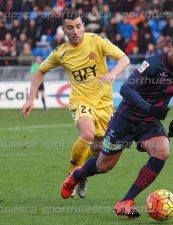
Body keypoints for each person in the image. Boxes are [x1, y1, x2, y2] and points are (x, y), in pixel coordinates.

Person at [60, 29, 173, 219]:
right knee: (104, 165)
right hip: (126, 119)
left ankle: (126, 201)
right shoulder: (153, 64)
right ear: (170, 47)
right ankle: (75, 176)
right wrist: (149, 108)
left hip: (149, 123)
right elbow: (126, 88)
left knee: (162, 151)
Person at [22, 8, 130, 198]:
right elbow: (39, 72)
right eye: (70, 27)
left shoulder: (96, 40)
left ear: (83, 26)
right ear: (63, 29)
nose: (75, 31)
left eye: (78, 26)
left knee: (98, 149)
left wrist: (113, 73)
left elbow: (124, 58)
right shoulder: (61, 53)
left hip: (104, 104)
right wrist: (31, 99)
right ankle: (72, 174)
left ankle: (82, 176)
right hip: (80, 100)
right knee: (87, 133)